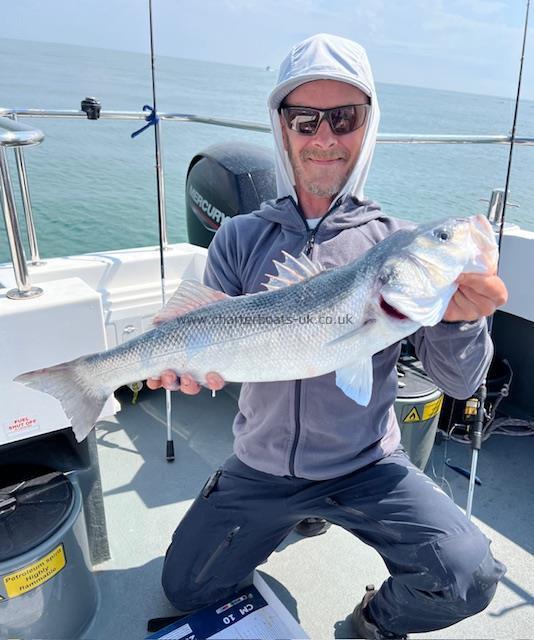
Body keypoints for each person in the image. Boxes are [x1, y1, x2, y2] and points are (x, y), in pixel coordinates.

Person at [147, 33, 508, 639]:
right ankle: (285, 515)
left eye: (344, 118)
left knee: (469, 574)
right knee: (186, 587)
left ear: (368, 127)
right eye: (305, 118)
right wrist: (184, 363)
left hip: (366, 464)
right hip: (261, 466)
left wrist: (462, 320)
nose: (324, 138)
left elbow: (461, 382)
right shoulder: (238, 236)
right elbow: (214, 337)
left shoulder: (394, 243)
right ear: (281, 127)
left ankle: (372, 619)